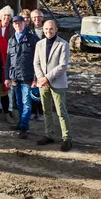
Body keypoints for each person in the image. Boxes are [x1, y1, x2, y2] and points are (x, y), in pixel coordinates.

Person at [33, 20, 73, 151]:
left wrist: (47, 78)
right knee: (46, 111)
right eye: (45, 29)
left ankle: (67, 138)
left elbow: (62, 66)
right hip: (43, 84)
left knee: (61, 111)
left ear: (56, 29)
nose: (48, 32)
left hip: (57, 83)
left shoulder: (63, 44)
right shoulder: (39, 44)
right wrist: (40, 79)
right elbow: (36, 63)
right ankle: (48, 134)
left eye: (50, 29)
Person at [5, 15, 40, 139]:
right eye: (15, 24)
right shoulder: (11, 40)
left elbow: (37, 60)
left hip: (27, 76)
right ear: (13, 26)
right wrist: (7, 77)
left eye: (19, 23)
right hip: (15, 76)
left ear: (24, 24)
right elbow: (8, 60)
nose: (17, 25)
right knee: (19, 102)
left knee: (27, 103)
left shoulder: (33, 39)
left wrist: (36, 78)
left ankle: (24, 127)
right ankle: (20, 123)